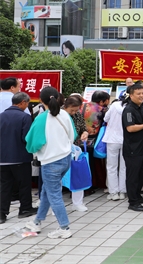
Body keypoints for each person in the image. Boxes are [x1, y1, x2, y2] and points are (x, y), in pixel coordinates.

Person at [25, 87, 79, 239]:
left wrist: (36, 151)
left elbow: (32, 143)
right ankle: (37, 221)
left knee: (54, 194)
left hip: (50, 161)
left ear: (41, 100)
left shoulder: (41, 118)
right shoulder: (65, 115)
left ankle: (64, 227)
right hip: (65, 158)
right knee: (47, 191)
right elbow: (73, 135)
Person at [0, 92, 36, 224]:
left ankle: (2, 213)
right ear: (22, 102)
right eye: (27, 103)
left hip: (2, 158)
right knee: (24, 184)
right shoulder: (25, 117)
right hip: (20, 157)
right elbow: (26, 138)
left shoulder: (1, 116)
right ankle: (25, 208)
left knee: (4, 186)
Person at [122, 83, 143, 212]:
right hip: (132, 148)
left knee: (142, 172)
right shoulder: (128, 110)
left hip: (142, 146)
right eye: (138, 94)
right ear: (131, 95)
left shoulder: (141, 107)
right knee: (133, 175)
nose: (142, 96)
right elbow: (130, 128)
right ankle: (132, 201)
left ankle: (137, 195)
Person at [63, 95, 90, 212]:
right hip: (60, 150)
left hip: (74, 149)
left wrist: (84, 133)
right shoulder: (58, 115)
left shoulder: (78, 115)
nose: (74, 113)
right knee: (59, 178)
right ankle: (56, 206)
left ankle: (78, 203)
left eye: (76, 110)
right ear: (65, 107)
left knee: (77, 175)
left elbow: (83, 128)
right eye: (72, 110)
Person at [102, 93, 127, 201]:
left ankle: (113, 193)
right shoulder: (129, 107)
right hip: (125, 139)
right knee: (124, 167)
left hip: (112, 139)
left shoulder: (113, 105)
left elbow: (105, 118)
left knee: (112, 167)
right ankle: (122, 191)